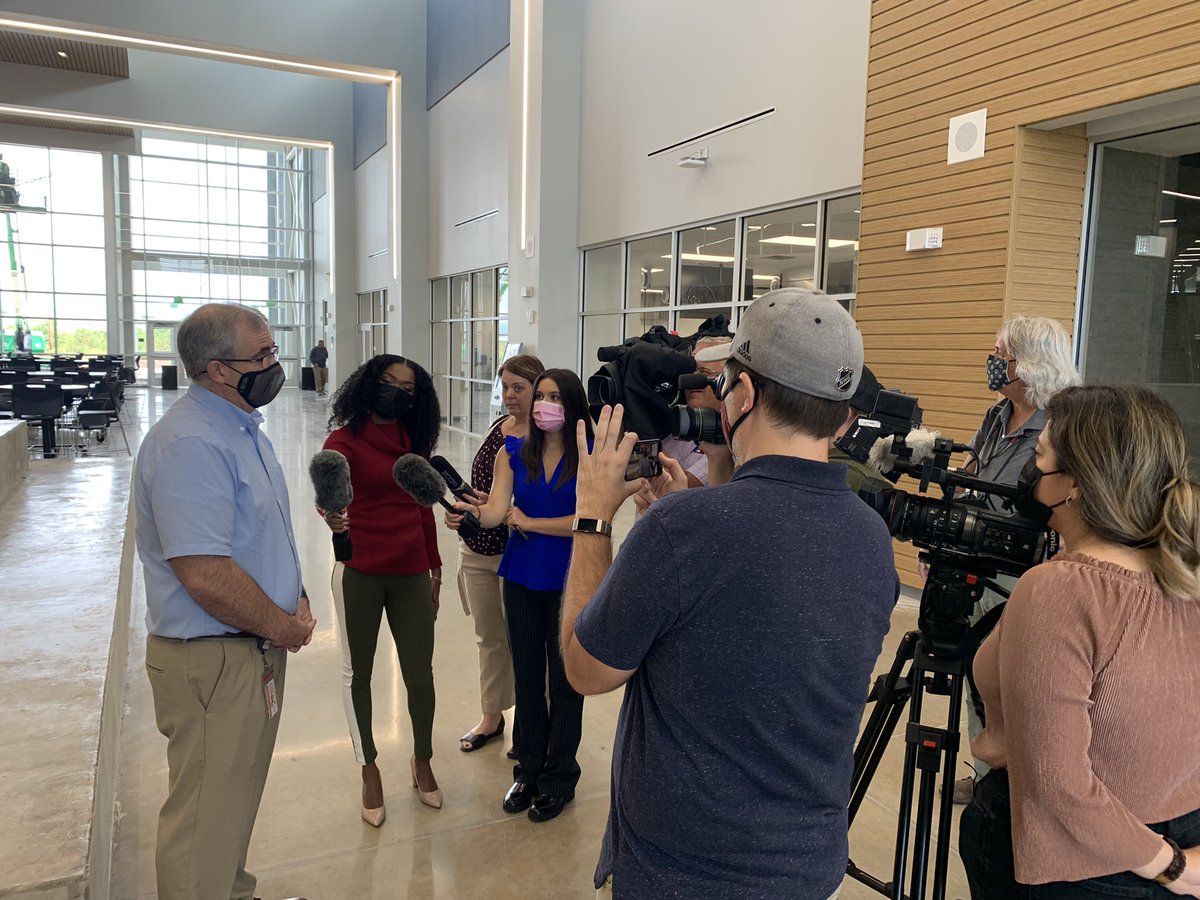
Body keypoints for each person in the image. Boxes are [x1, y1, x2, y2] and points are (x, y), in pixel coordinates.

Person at [561, 288, 900, 898]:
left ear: (742, 395)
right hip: (806, 864)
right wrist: (704, 493)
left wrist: (592, 519)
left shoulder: (681, 532)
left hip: (685, 870)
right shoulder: (872, 537)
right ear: (845, 418)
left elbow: (586, 670)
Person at [960, 385, 1200, 899]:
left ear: (1075, 483)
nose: (1028, 470)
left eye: (1039, 454)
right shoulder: (1185, 573)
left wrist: (1172, 867)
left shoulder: (1062, 589)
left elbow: (1056, 782)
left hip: (1082, 865)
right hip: (1175, 838)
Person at [134, 302, 316, 900]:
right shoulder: (190, 445)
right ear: (217, 369)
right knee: (203, 820)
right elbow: (205, 574)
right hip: (213, 657)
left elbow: (265, 536)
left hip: (247, 647)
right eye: (260, 356)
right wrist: (284, 626)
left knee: (230, 803)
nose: (274, 365)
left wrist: (298, 596)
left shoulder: (240, 430)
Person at [951, 313, 1081, 802]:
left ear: (1029, 364)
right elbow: (973, 471)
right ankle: (987, 776)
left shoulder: (1066, 422)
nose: (993, 364)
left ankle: (1018, 788)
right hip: (977, 558)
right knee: (978, 671)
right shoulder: (995, 416)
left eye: (1000, 356)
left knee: (1021, 686)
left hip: (1028, 571)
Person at [465, 368, 594, 823]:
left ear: (573, 405)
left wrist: (531, 523)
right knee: (526, 677)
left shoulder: (591, 458)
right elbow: (498, 510)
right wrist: (470, 514)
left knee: (565, 683)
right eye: (541, 396)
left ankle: (560, 778)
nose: (544, 405)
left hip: (570, 580)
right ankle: (529, 769)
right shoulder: (512, 452)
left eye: (555, 397)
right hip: (520, 576)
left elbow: (586, 521)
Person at [321, 354, 444, 824]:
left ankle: (422, 758)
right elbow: (331, 499)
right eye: (389, 382)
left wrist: (434, 568)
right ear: (370, 384)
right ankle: (368, 767)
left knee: (420, 674)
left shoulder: (414, 440)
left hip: (411, 568)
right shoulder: (343, 441)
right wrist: (332, 516)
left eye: (408, 387)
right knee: (360, 674)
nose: (397, 391)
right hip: (358, 570)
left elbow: (423, 507)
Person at [444, 354, 546, 754]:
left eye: (518, 388)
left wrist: (499, 508)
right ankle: (492, 715)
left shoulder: (546, 439)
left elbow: (546, 500)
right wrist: (476, 507)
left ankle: (535, 720)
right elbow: (491, 489)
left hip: (519, 552)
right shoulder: (498, 429)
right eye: (504, 387)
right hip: (478, 546)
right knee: (488, 638)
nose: (509, 396)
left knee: (525, 641)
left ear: (538, 388)